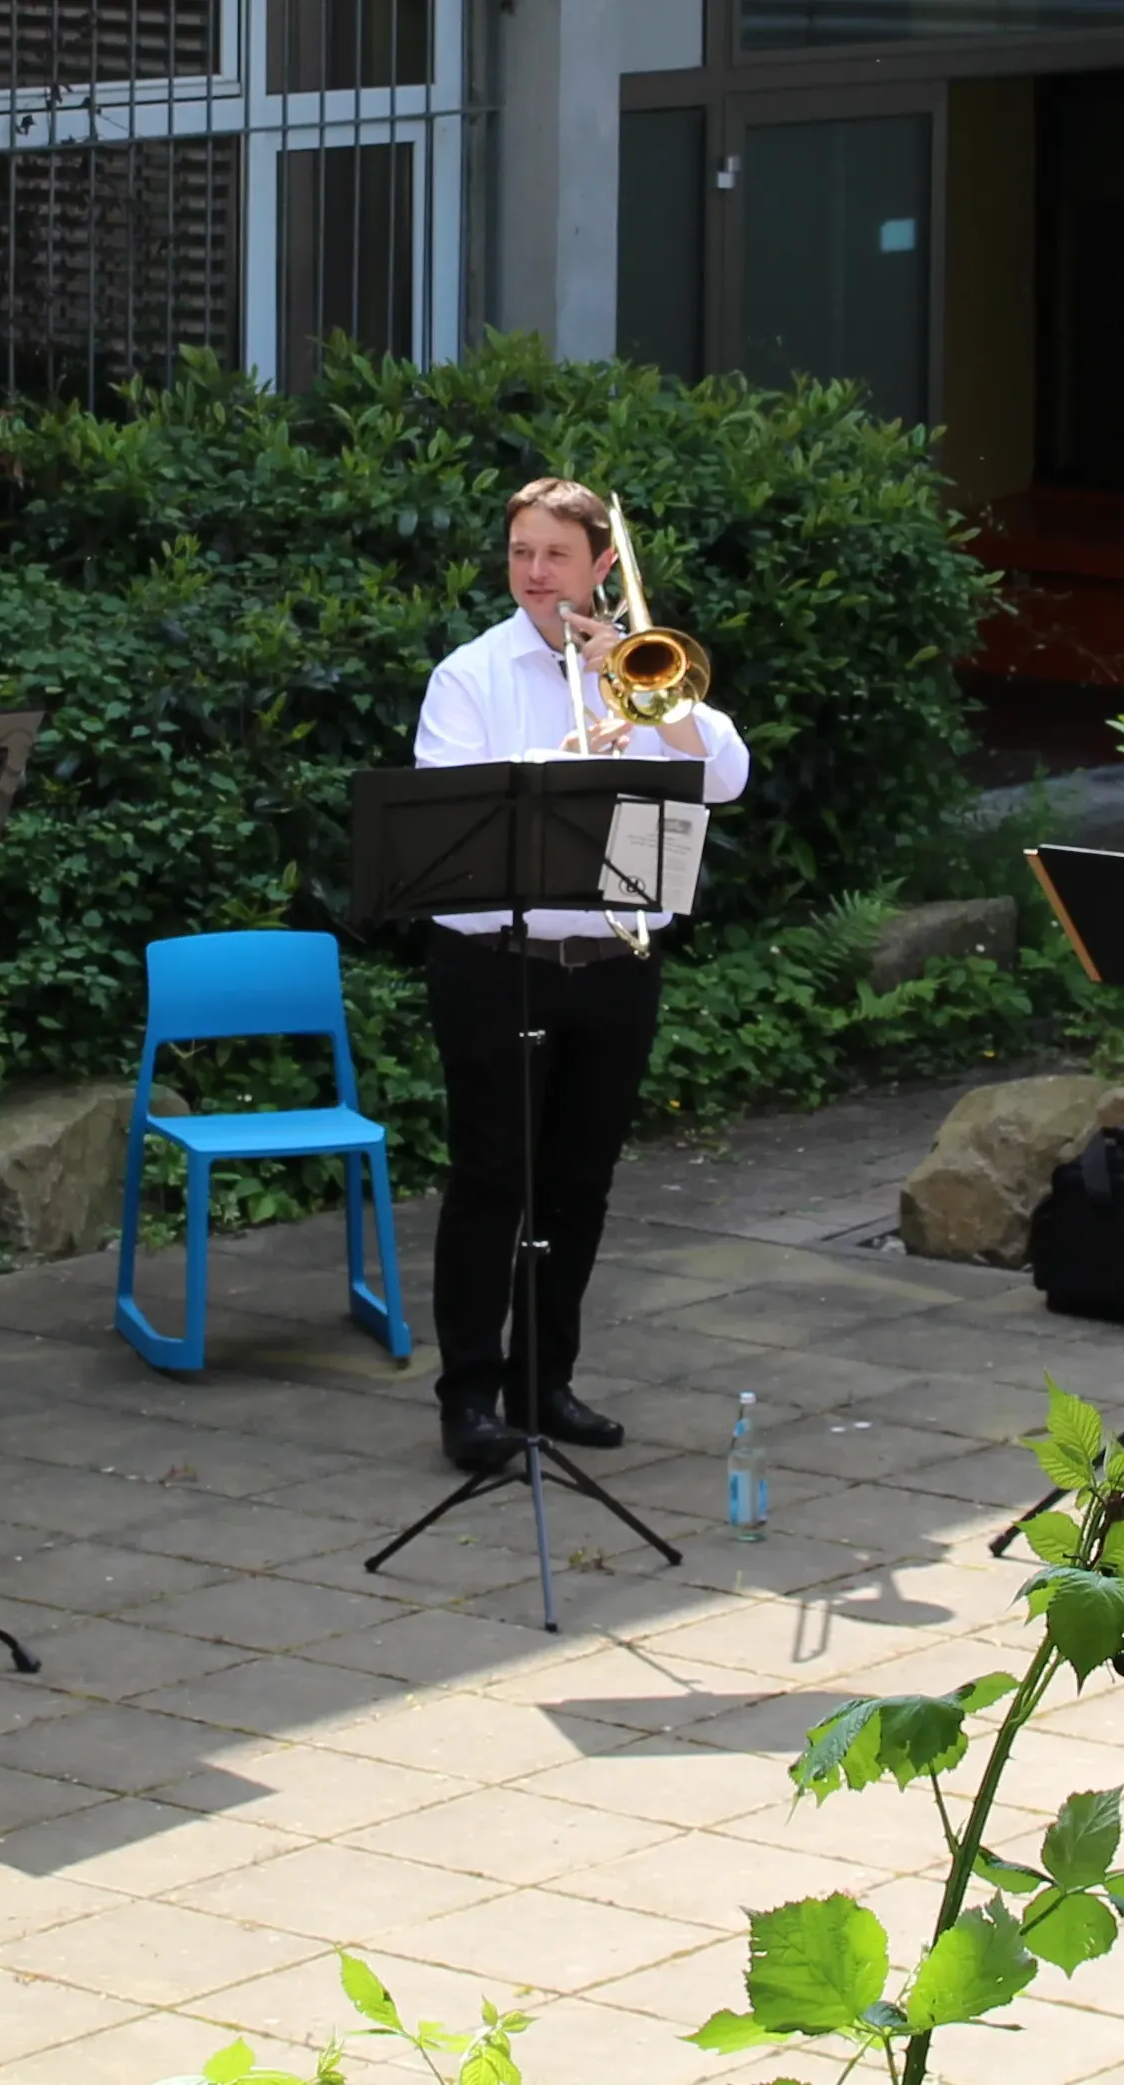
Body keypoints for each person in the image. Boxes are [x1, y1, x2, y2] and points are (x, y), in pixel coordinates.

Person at [413, 477, 752, 1473]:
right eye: (520, 551)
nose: (533, 573)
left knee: (578, 1186)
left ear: (602, 566)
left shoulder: (642, 667)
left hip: (614, 961)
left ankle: (543, 1381)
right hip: (493, 964)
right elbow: (451, 814)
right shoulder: (469, 676)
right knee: (490, 1182)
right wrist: (568, 756)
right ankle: (469, 1399)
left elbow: (724, 777)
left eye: (555, 555)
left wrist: (652, 703)